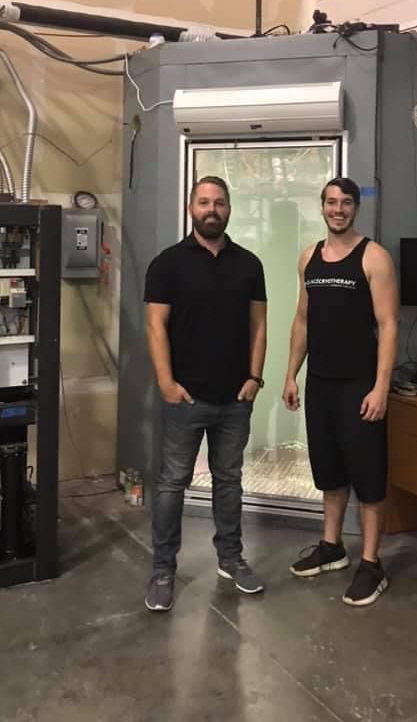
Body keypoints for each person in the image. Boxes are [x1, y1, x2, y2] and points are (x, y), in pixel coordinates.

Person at [143, 175, 268, 612]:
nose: (211, 209)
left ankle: (231, 559)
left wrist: (254, 377)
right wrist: (166, 383)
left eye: (218, 202)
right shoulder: (167, 264)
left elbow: (258, 325)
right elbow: (155, 326)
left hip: (235, 398)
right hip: (185, 398)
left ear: (228, 208)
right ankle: (163, 570)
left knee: (228, 481)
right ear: (191, 208)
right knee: (172, 483)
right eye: (203, 202)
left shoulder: (249, 264)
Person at [282, 176, 398, 606]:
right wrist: (291, 374)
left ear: (355, 208)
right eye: (331, 202)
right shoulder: (308, 257)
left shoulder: (374, 257)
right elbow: (302, 319)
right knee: (329, 472)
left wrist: (381, 387)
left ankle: (371, 563)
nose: (338, 210)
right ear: (322, 206)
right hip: (321, 384)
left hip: (359, 385)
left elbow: (388, 325)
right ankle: (331, 547)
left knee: (368, 476)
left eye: (346, 202)